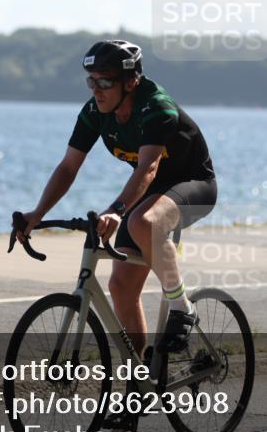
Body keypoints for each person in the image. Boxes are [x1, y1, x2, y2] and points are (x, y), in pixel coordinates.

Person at [14, 39, 217, 358]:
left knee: (143, 222)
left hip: (193, 184)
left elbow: (148, 169)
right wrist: (38, 212)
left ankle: (182, 308)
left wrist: (117, 211)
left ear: (130, 81)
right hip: (149, 191)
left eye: (105, 82)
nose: (96, 90)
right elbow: (68, 166)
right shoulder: (95, 111)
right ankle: (139, 374)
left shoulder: (156, 106)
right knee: (120, 286)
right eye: (91, 81)